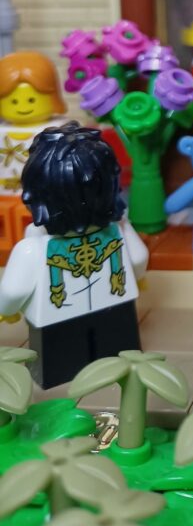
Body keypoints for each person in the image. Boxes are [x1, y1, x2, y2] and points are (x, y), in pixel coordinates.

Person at [0, 122, 147, 388]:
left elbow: (13, 291)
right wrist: (137, 277)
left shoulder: (31, 250)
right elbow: (138, 258)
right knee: (118, 352)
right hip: (116, 306)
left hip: (57, 317)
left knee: (59, 364)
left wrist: (7, 311)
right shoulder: (120, 229)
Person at [0, 52, 66, 191]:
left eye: (31, 100)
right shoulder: (3, 130)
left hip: (47, 193)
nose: (22, 107)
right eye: (14, 101)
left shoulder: (59, 129)